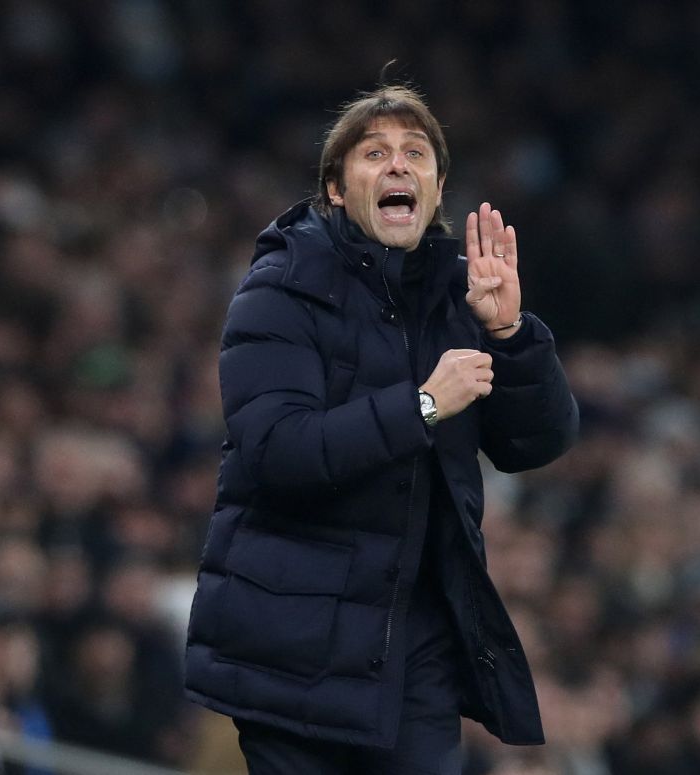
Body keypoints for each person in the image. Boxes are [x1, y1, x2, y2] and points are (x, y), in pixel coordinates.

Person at [184, 83, 579, 775]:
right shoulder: (280, 289)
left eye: (414, 153)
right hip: (292, 646)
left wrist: (510, 334)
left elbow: (536, 443)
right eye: (375, 153)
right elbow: (279, 451)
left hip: (413, 646)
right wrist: (423, 405)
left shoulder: (462, 293)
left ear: (437, 187)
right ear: (336, 190)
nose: (398, 165)